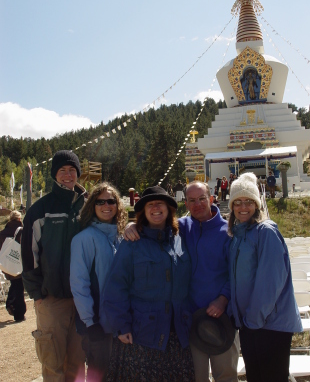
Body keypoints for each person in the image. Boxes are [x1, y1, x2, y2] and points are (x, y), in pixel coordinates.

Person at [124, 181, 239, 382]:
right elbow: (154, 226)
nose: (198, 204)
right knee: (196, 376)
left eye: (202, 198)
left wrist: (223, 299)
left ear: (211, 199)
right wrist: (133, 225)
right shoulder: (181, 229)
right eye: (192, 200)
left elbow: (235, 274)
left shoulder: (229, 232)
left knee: (226, 376)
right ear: (185, 204)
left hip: (222, 317)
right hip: (191, 320)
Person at [104, 186, 195, 381]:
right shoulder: (131, 243)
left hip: (178, 335)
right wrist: (121, 325)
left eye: (159, 203)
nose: (155, 208)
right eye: (150, 205)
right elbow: (116, 287)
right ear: (143, 212)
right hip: (142, 335)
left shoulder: (180, 239)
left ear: (169, 209)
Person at [227, 173, 302, 382]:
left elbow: (270, 281)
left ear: (257, 205)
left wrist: (253, 319)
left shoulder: (266, 231)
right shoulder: (238, 235)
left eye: (249, 202)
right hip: (250, 324)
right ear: (232, 206)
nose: (243, 207)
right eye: (238, 202)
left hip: (270, 324)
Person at [21, 150, 86, 382]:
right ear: (54, 175)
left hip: (82, 301)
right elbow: (28, 256)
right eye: (62, 170)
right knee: (53, 364)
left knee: (78, 365)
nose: (68, 175)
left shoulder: (87, 207)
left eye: (72, 170)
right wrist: (37, 295)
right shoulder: (40, 210)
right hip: (51, 299)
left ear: (78, 174)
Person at [70, 183, 128, 382]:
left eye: (111, 201)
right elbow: (79, 283)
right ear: (92, 206)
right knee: (99, 375)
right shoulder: (83, 239)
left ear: (117, 206)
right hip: (97, 325)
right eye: (100, 201)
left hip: (121, 324)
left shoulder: (122, 238)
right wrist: (90, 322)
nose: (106, 205)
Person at [0, 210, 26, 322]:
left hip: (6, 264)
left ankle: (11, 304)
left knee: (15, 284)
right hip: (19, 263)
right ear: (19, 219)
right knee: (19, 286)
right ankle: (18, 313)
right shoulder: (22, 231)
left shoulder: (3, 232)